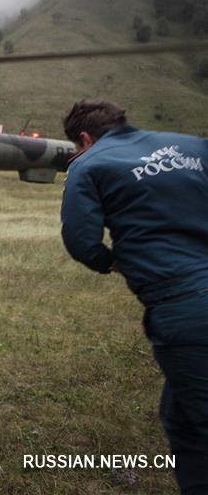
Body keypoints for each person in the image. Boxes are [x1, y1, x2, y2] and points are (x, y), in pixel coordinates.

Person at [60, 100, 208, 495]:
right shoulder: (193, 145)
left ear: (85, 139)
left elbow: (81, 242)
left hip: (185, 307)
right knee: (180, 420)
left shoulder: (88, 164)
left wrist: (112, 262)